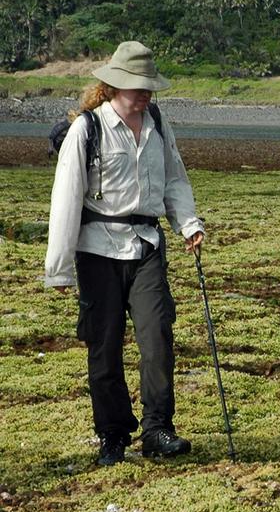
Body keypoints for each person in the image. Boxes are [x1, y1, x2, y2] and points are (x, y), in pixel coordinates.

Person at [44, 41, 204, 466]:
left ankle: (157, 428)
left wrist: (188, 224)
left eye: (148, 86)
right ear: (113, 85)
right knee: (104, 345)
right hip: (97, 251)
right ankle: (112, 435)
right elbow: (66, 198)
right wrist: (58, 270)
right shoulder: (88, 129)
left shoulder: (156, 122)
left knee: (157, 337)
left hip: (147, 246)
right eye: (137, 86)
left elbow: (175, 178)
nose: (145, 93)